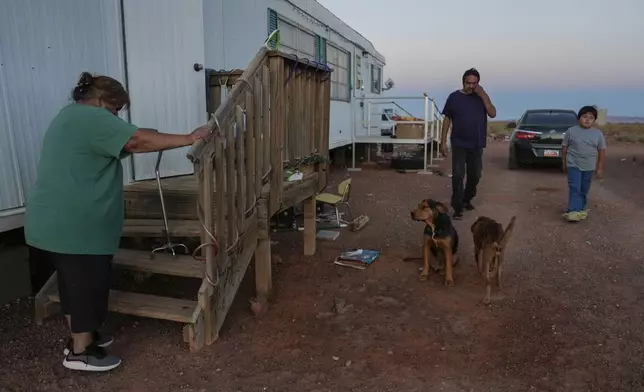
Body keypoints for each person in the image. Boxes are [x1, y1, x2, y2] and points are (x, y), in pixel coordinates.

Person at [25, 72, 211, 372]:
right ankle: (81, 352)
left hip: (56, 221)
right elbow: (136, 140)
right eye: (115, 111)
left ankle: (81, 338)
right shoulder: (91, 118)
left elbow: (131, 137)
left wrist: (152, 136)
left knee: (74, 284)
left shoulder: (70, 116)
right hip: (75, 224)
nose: (116, 118)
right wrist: (190, 138)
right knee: (84, 284)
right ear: (100, 101)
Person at [440, 68, 497, 219]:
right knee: (458, 175)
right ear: (463, 82)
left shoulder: (481, 97)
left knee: (475, 175)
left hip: (477, 143)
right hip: (459, 142)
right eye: (468, 83)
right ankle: (457, 207)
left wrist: (483, 94)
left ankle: (466, 199)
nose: (471, 86)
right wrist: (442, 142)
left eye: (474, 83)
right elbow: (447, 119)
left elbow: (492, 113)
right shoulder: (454, 97)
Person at [561, 106, 606, 222]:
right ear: (578, 118)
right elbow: (564, 148)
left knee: (584, 189)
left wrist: (600, 168)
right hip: (573, 164)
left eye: (591, 118)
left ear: (594, 120)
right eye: (584, 117)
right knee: (574, 187)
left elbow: (601, 150)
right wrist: (564, 162)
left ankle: (580, 209)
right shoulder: (571, 131)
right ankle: (573, 211)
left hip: (589, 166)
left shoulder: (598, 134)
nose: (587, 120)